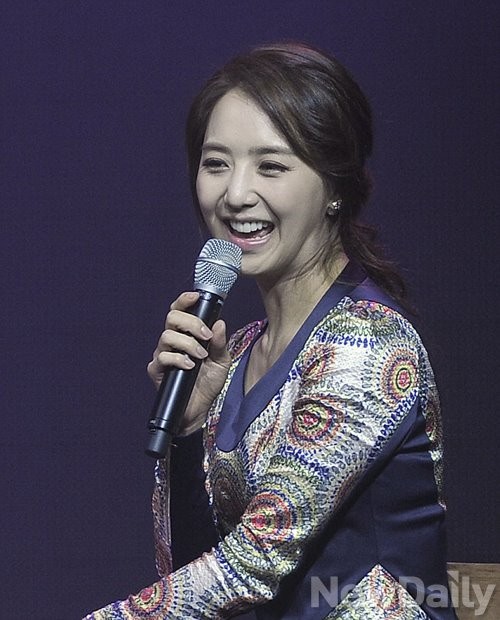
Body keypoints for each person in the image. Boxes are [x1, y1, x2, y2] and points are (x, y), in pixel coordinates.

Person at [84, 42, 456, 619]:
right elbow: (188, 575)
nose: (235, 195)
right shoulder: (234, 353)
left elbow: (252, 563)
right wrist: (188, 432)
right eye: (216, 163)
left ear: (335, 186)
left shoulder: (367, 343)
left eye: (271, 166)